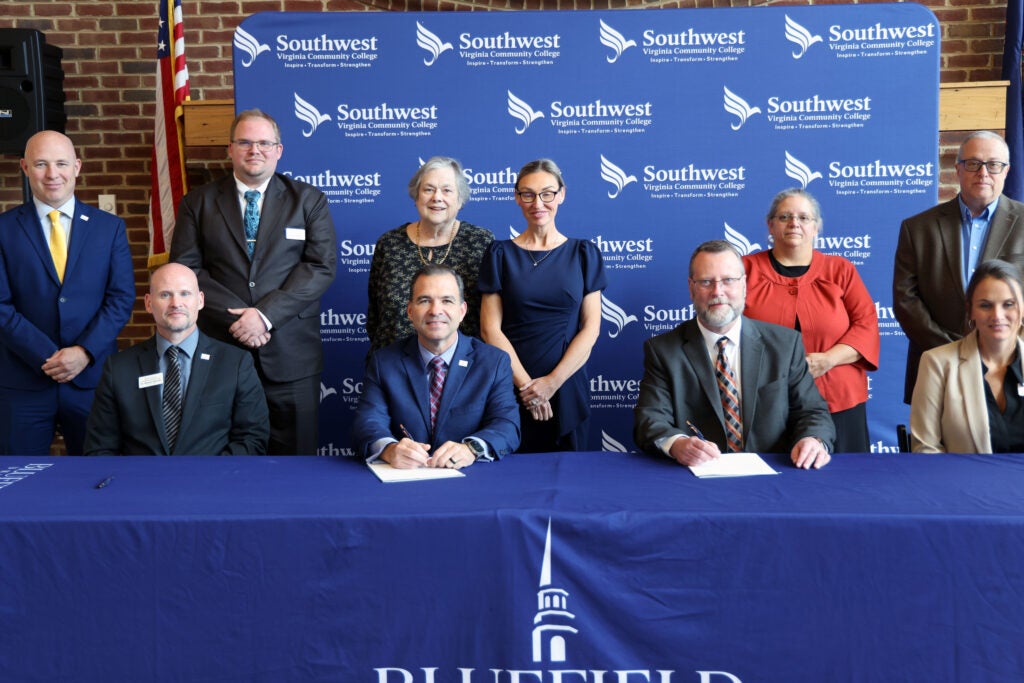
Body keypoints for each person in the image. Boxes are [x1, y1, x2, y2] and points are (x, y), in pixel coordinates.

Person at [170, 109, 337, 455]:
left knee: (297, 463)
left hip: (292, 356)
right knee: (224, 459)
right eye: (244, 142)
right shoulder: (197, 203)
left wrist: (264, 316)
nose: (254, 150)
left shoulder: (308, 201)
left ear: (279, 150)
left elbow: (319, 267)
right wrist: (240, 319)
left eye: (264, 142)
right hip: (222, 350)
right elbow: (186, 271)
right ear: (229, 149)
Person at [634, 240, 835, 469]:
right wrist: (677, 444)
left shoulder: (785, 344)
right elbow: (650, 418)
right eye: (706, 282)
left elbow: (812, 411)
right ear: (691, 288)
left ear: (744, 285)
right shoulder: (663, 350)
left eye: (728, 280)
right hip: (697, 477)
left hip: (777, 473)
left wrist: (813, 439)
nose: (718, 292)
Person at [0, 131, 135, 455]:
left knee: (98, 480)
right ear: (25, 167)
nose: (52, 174)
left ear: (76, 166)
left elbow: (120, 299)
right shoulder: (3, 229)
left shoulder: (108, 227)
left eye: (61, 163)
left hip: (91, 380)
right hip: (23, 383)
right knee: (19, 482)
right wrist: (48, 356)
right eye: (41, 164)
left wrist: (83, 352)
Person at [479, 159, 606, 452]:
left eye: (547, 193)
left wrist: (551, 383)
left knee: (569, 475)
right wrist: (527, 388)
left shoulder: (584, 253)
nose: (538, 202)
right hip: (510, 386)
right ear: (517, 197)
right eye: (528, 194)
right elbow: (490, 330)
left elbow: (591, 328)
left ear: (561, 194)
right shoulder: (499, 254)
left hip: (567, 385)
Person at [743, 188, 879, 453]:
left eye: (804, 218)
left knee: (846, 485)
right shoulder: (744, 270)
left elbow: (866, 325)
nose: (794, 223)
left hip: (839, 400)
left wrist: (828, 360)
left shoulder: (841, 270)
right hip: (764, 400)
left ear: (817, 227)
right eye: (784, 217)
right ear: (770, 225)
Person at [894, 130, 1024, 403]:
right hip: (938, 366)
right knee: (937, 445)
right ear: (958, 169)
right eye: (973, 163)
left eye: (994, 164)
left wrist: (1003, 349)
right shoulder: (917, 228)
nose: (984, 173)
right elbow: (906, 299)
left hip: (1012, 368)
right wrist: (954, 351)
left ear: (1007, 170)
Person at [84, 264, 268, 455]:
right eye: (165, 294)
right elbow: (100, 448)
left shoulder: (235, 363)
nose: (176, 303)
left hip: (212, 481)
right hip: (141, 482)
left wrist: (211, 478)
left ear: (200, 300)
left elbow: (252, 438)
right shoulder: (119, 368)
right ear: (148, 303)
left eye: (185, 293)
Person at [352, 264, 520, 469]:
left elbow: (507, 426)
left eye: (447, 301)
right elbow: (368, 422)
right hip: (404, 481)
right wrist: (389, 450)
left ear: (462, 310)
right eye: (424, 300)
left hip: (471, 480)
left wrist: (471, 449)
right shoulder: (384, 362)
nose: (435, 311)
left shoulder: (494, 362)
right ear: (410, 311)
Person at [367, 156, 493, 353]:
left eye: (447, 190)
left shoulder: (481, 242)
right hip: (393, 369)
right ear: (416, 197)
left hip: (464, 372)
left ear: (460, 199)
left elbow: (492, 318)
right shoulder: (389, 244)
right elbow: (375, 316)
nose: (437, 197)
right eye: (428, 189)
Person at [910, 260, 1024, 453]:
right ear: (970, 310)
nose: (997, 315)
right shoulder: (937, 363)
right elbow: (926, 449)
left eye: (1008, 304)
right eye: (985, 305)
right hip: (963, 482)